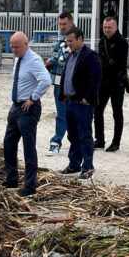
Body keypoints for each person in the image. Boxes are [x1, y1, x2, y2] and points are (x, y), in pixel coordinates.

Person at [2, 32, 52, 197]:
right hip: (16, 106)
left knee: (29, 147)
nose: (13, 50)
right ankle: (12, 178)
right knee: (9, 143)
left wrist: (33, 98)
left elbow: (46, 80)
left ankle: (30, 185)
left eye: (16, 47)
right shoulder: (19, 58)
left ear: (25, 44)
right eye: (12, 46)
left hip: (28, 108)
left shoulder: (34, 60)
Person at [59, 27, 102, 179]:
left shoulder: (90, 56)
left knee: (85, 135)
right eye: (67, 41)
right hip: (70, 101)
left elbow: (96, 78)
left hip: (82, 103)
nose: (68, 44)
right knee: (73, 135)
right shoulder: (71, 56)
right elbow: (67, 75)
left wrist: (87, 98)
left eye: (71, 41)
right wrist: (63, 95)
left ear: (80, 39)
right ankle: (74, 164)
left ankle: (88, 167)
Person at [94, 16, 129, 152]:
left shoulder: (121, 42)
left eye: (109, 27)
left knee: (117, 113)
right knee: (97, 111)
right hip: (103, 82)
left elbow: (120, 64)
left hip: (117, 82)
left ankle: (116, 143)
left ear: (115, 27)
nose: (107, 30)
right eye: (105, 27)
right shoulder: (102, 41)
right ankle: (100, 140)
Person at [44, 11, 75, 156]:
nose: (62, 26)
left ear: (71, 22)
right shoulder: (62, 38)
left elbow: (65, 57)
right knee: (64, 113)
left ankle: (56, 142)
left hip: (68, 82)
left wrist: (52, 60)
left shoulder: (73, 37)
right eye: (60, 24)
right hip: (58, 81)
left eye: (64, 24)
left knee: (66, 114)